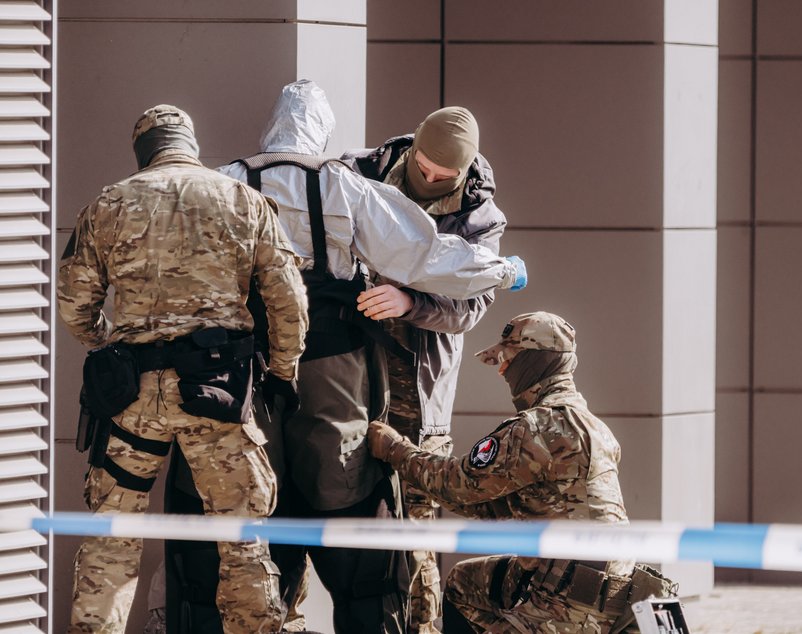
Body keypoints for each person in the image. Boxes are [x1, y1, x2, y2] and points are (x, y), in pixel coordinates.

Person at [163, 80, 527, 634]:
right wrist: (503, 271)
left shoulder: (225, 181)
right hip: (332, 365)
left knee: (253, 495)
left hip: (243, 367)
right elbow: (422, 253)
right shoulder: (343, 182)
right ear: (322, 133)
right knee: (342, 491)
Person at [57, 105, 308, 634]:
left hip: (131, 399)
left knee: (111, 537)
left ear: (143, 151)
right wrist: (283, 372)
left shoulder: (108, 204)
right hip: (217, 393)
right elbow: (288, 302)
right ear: (190, 145)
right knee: (241, 539)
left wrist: (108, 347)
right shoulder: (243, 200)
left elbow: (74, 303)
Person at [367, 312, 678, 633]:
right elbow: (488, 503)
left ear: (533, 361)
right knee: (465, 582)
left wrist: (394, 449)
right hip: (601, 588)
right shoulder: (592, 426)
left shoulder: (539, 427)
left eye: (507, 359)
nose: (502, 370)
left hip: (570, 604)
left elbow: (459, 485)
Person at [342, 105, 503, 634]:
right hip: (345, 371)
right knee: (325, 514)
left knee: (416, 533)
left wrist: (410, 302)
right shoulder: (356, 173)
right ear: (412, 147)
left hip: (418, 386)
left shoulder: (480, 218)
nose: (429, 180)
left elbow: (472, 306)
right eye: (423, 167)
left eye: (443, 176)